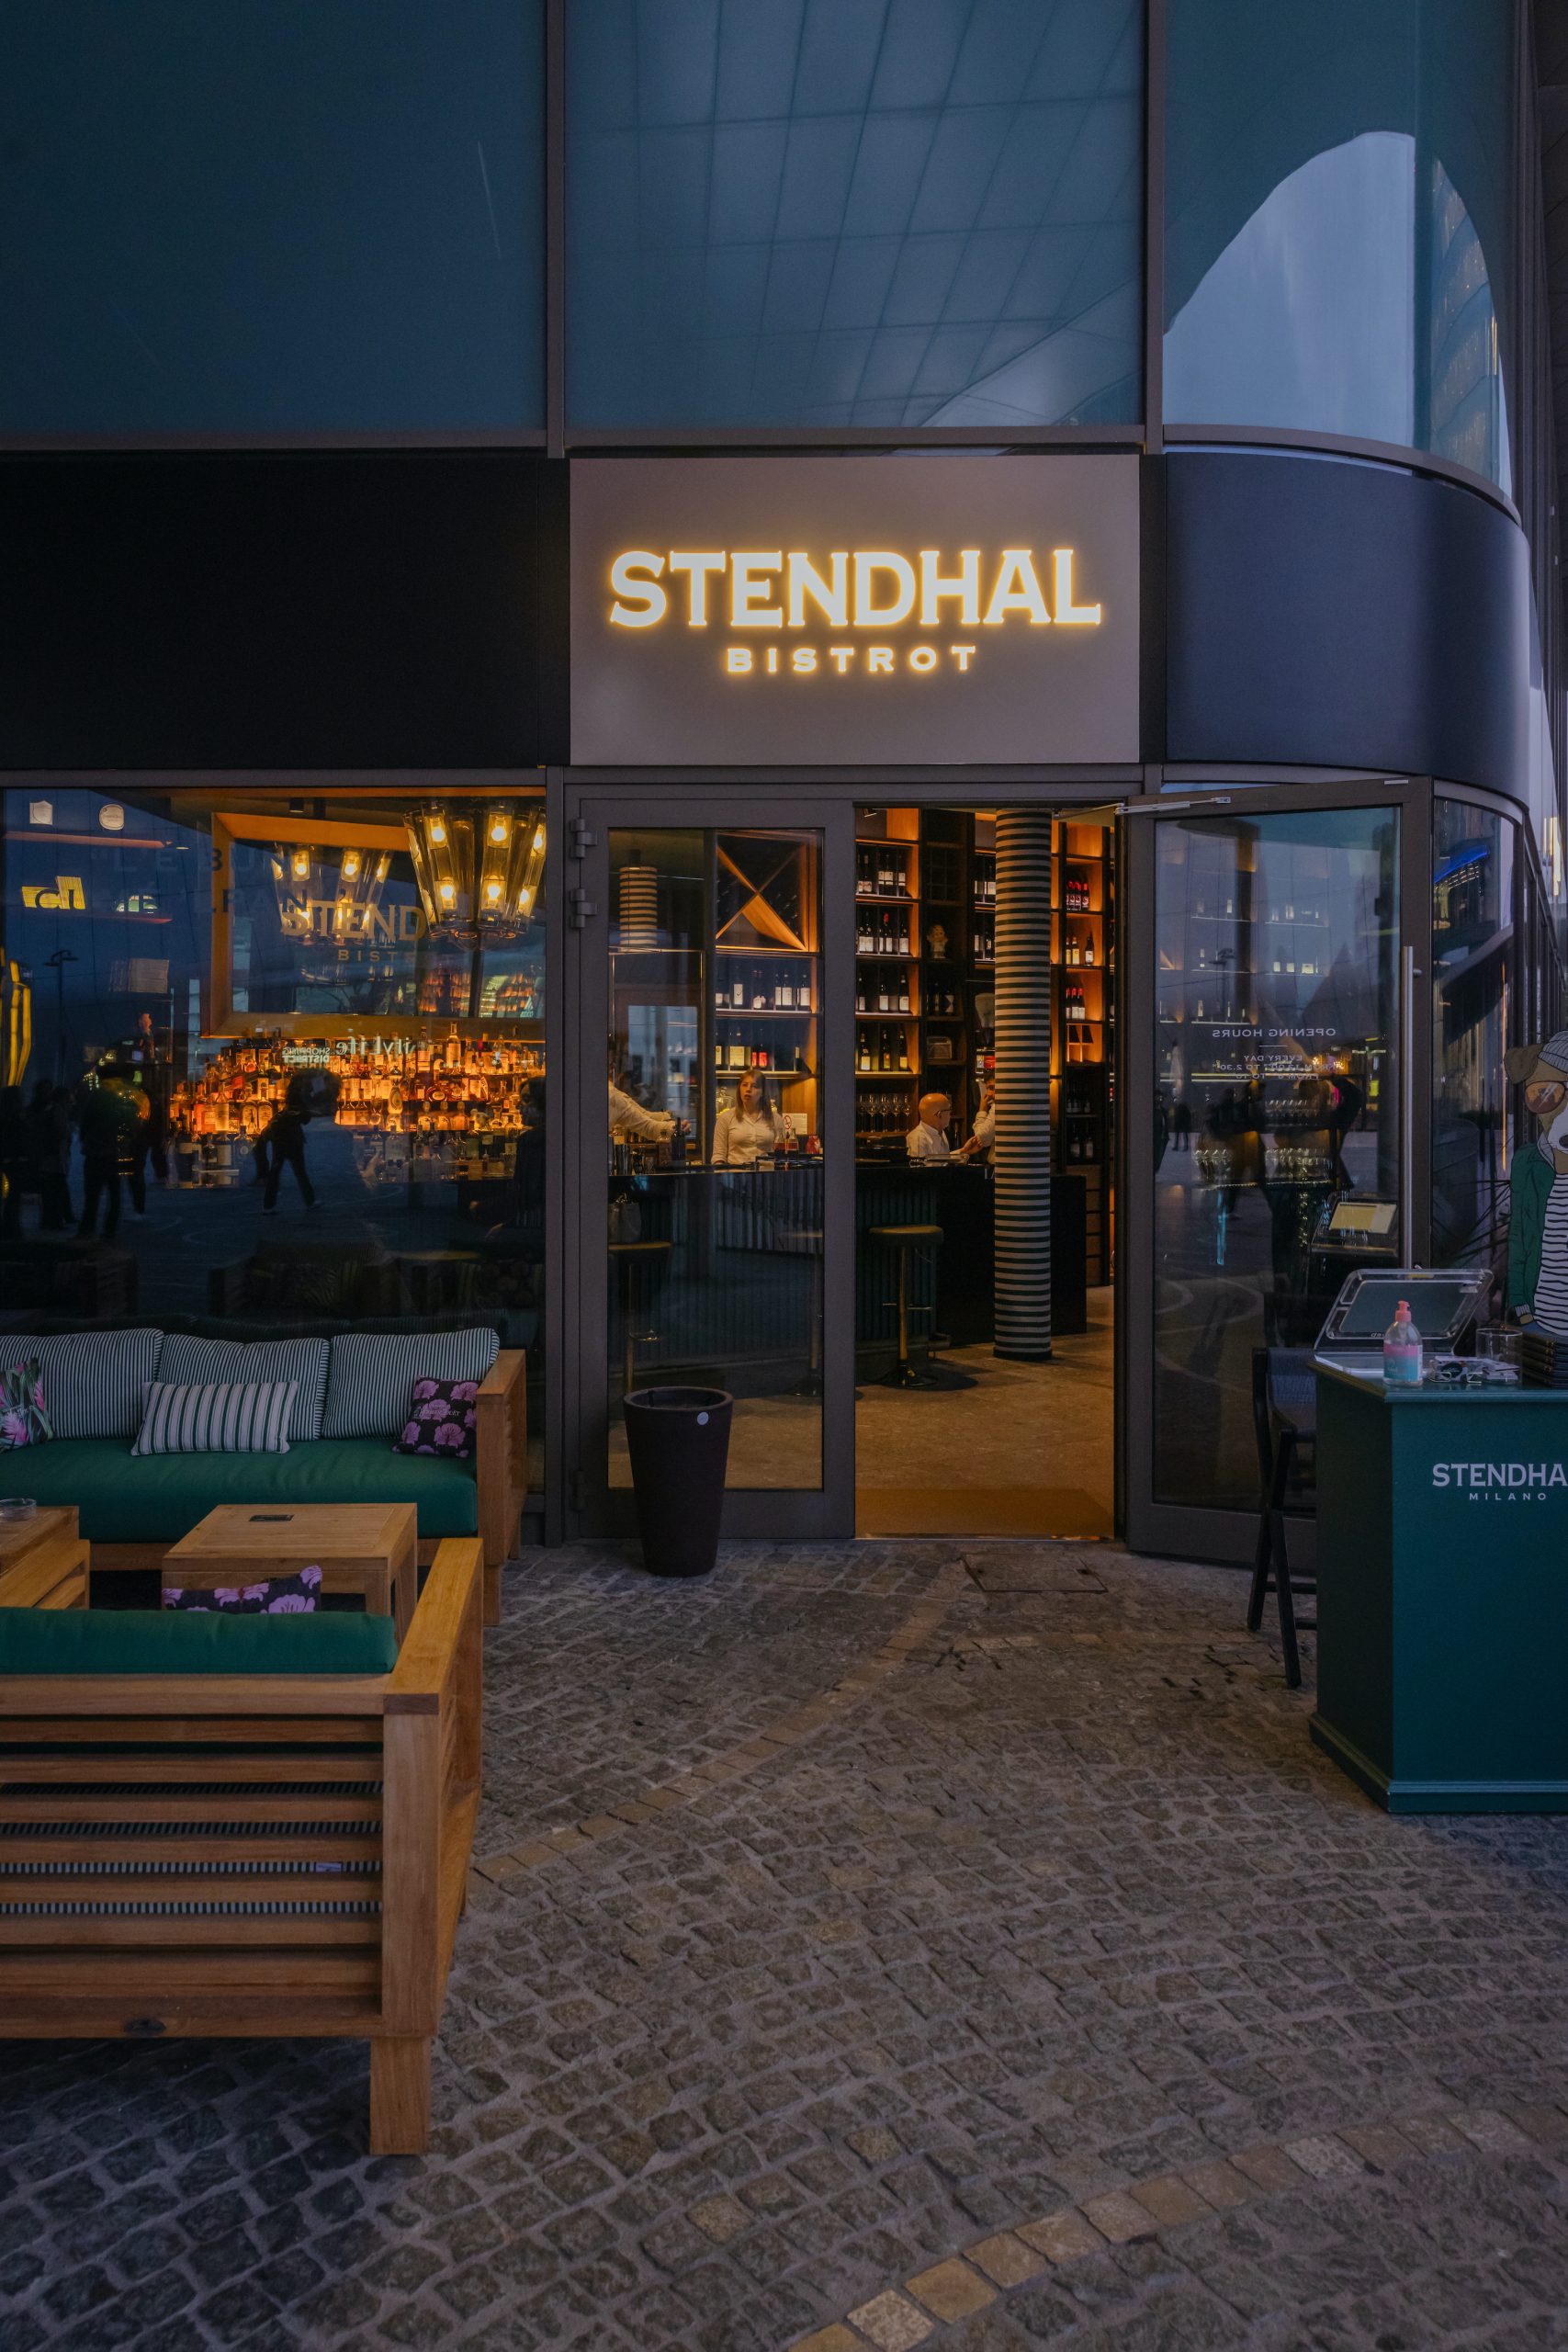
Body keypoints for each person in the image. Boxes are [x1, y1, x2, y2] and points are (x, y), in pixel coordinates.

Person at [75, 1059, 146, 1239]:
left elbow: (87, 1120)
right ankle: (110, 1229)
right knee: (114, 1193)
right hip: (117, 1151)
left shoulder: (100, 1094)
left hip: (97, 1150)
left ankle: (87, 1229)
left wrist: (86, 1137)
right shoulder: (128, 1094)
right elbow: (135, 1122)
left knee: (93, 1194)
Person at [262, 1069, 320, 1212]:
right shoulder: (303, 1096)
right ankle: (310, 1201)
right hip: (292, 1137)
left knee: (276, 1170)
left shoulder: (291, 1094)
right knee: (300, 1171)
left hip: (281, 1137)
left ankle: (268, 1205)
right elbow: (305, 1118)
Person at [712, 1069, 784, 1166]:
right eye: (745, 1085)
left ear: (763, 1092)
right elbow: (718, 1155)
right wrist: (721, 1172)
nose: (748, 1089)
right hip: (736, 1172)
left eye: (754, 1086)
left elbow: (781, 1154)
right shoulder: (726, 1118)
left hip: (766, 1172)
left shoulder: (775, 1119)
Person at [28, 1080, 73, 1231]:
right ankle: (55, 1221)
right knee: (56, 1190)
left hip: (45, 1155)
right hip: (55, 1156)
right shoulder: (56, 1110)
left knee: (48, 1192)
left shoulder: (43, 1109)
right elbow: (63, 1131)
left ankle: (47, 1221)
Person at [0, 1086, 29, 1238]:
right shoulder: (16, 1117)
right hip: (16, 1159)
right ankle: (12, 1227)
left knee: (13, 1195)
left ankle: (9, 1226)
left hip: (9, 1158)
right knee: (14, 1195)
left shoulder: (6, 1116)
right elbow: (18, 1138)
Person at [907, 1091, 953, 1160]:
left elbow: (943, 1159)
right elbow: (920, 1167)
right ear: (939, 1115)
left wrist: (963, 1151)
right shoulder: (918, 1139)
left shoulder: (940, 1131)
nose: (950, 1114)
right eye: (949, 1110)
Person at [958, 1080, 995, 1161]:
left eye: (993, 1088)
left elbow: (982, 1138)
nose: (988, 1094)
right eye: (987, 1089)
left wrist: (982, 1110)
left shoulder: (999, 1106)